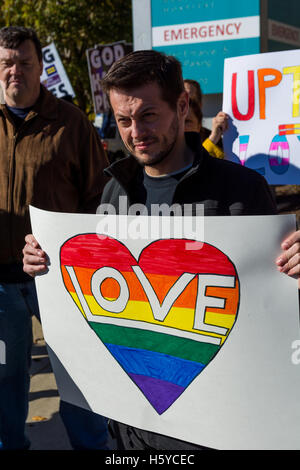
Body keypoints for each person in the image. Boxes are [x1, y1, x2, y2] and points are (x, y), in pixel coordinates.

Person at [24, 49, 299, 451]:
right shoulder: (114, 191)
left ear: (182, 105)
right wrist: (46, 260)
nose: (135, 132)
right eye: (123, 120)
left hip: (220, 423)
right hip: (133, 430)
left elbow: (275, 302)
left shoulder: (241, 190)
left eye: (148, 115)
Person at [0, 26, 110, 450]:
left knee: (78, 374)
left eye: (24, 63)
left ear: (40, 66)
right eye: (7, 63)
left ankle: (95, 451)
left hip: (60, 278)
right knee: (6, 378)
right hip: (2, 285)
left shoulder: (70, 122)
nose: (15, 72)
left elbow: (98, 195)